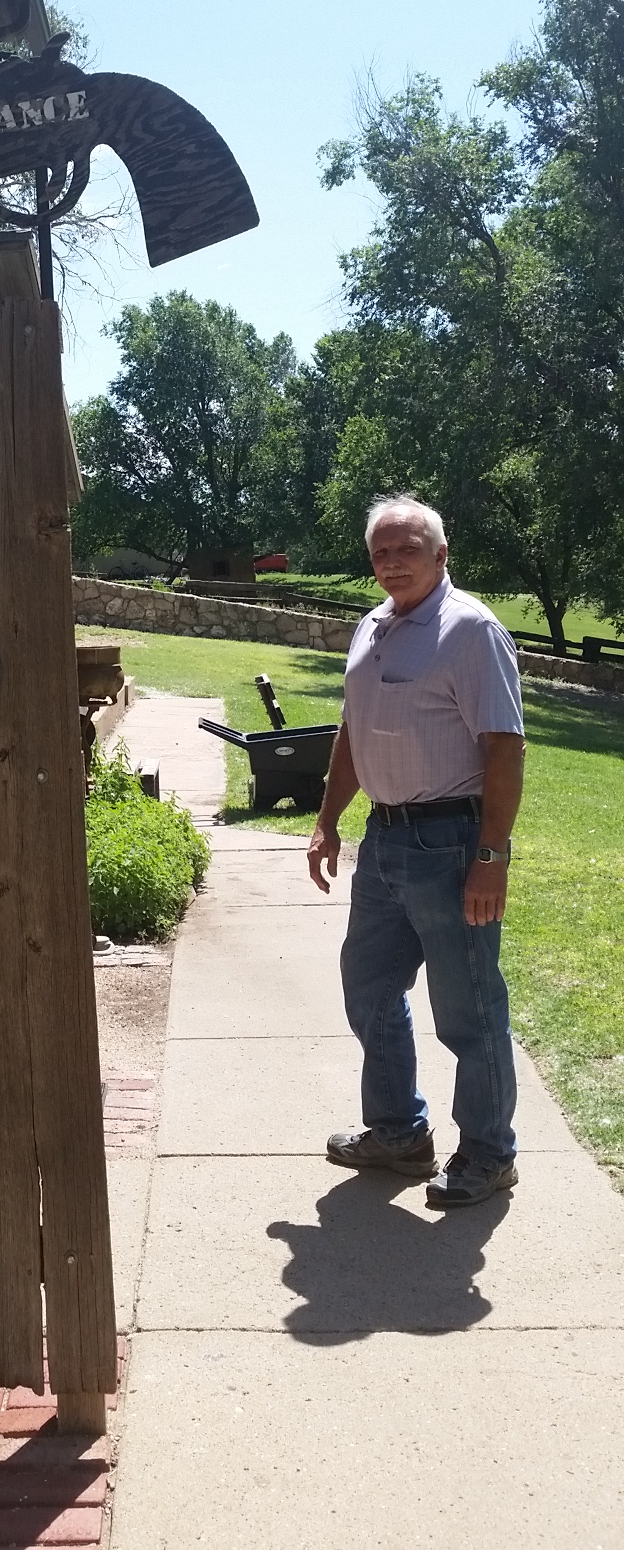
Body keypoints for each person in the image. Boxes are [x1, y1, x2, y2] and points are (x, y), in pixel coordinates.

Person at [306, 495, 526, 1208]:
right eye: (381, 552)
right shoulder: (372, 627)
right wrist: (327, 819)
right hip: (385, 840)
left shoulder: (471, 631)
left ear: (441, 553)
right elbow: (354, 729)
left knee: (468, 1009)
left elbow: (505, 748)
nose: (393, 561)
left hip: (451, 843)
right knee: (369, 987)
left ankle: (489, 1153)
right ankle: (398, 1133)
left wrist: (491, 857)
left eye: (408, 548)